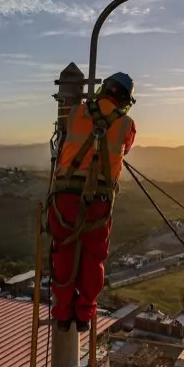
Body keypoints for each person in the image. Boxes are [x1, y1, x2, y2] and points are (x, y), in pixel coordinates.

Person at [48, 72, 137, 331]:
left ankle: (63, 313)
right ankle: (84, 314)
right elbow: (125, 147)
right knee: (93, 257)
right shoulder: (126, 124)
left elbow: (64, 134)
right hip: (98, 200)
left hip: (65, 196)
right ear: (125, 100)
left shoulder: (76, 112)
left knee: (63, 250)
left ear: (102, 90)